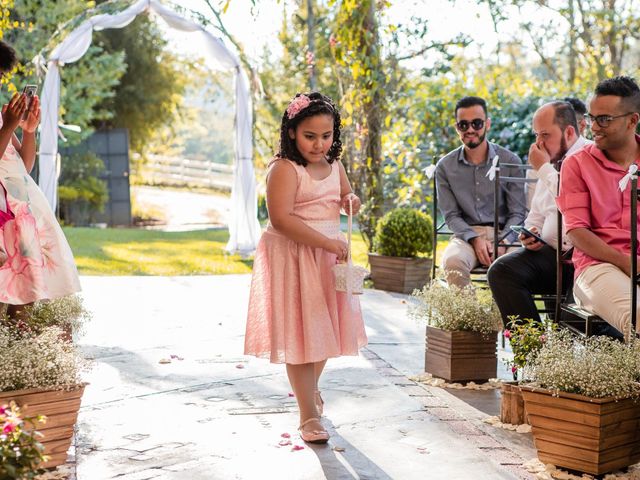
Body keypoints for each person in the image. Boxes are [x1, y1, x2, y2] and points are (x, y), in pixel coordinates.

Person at [244, 92, 367, 444]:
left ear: (334, 135)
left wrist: (350, 201)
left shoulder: (335, 166)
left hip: (327, 261)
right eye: (310, 136)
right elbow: (281, 220)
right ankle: (307, 415)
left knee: (325, 332)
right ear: (292, 132)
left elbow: (342, 196)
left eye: (326, 136)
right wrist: (327, 243)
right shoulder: (285, 168)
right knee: (300, 336)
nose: (318, 144)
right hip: (296, 257)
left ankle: (310, 390)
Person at [488, 101, 589, 326]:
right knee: (502, 271)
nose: (538, 143)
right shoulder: (550, 161)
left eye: (545, 135)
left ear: (570, 132)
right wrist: (531, 234)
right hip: (552, 255)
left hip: (585, 258)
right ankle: (533, 352)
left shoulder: (590, 156)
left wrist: (543, 169)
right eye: (536, 135)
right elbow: (535, 216)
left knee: (571, 322)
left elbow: (573, 199)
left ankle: (557, 354)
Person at [0, 40, 80, 317]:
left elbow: (23, 164)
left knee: (27, 281)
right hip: (4, 209)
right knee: (11, 277)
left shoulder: (2, 113)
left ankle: (22, 333)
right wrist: (9, 125)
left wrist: (29, 131)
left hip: (23, 201)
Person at [558, 76, 640, 339]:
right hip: (597, 267)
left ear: (632, 120)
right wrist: (628, 263)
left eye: (604, 119)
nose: (594, 126)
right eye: (592, 118)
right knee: (638, 315)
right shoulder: (577, 164)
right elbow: (576, 232)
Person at [435, 96, 527, 287]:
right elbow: (451, 216)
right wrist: (475, 239)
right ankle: (470, 316)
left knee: (516, 266)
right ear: (456, 127)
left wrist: (504, 242)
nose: (470, 129)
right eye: (463, 125)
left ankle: (505, 317)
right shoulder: (445, 167)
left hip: (505, 233)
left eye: (476, 123)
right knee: (453, 262)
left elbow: (517, 213)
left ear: (487, 124)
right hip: (467, 236)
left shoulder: (510, 161)